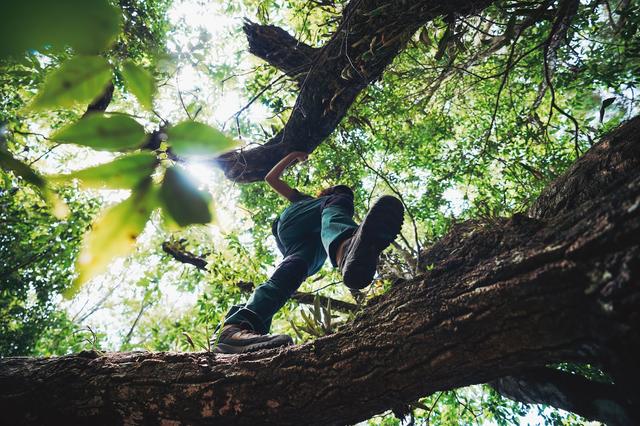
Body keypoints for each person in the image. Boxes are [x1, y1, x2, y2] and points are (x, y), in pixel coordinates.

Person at [213, 150, 404, 354]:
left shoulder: (328, 219)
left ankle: (237, 331)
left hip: (308, 247)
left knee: (289, 275)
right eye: (334, 190)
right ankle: (345, 249)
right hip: (294, 226)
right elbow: (271, 178)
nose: (342, 195)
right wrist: (293, 155)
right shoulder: (312, 201)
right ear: (326, 193)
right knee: (340, 201)